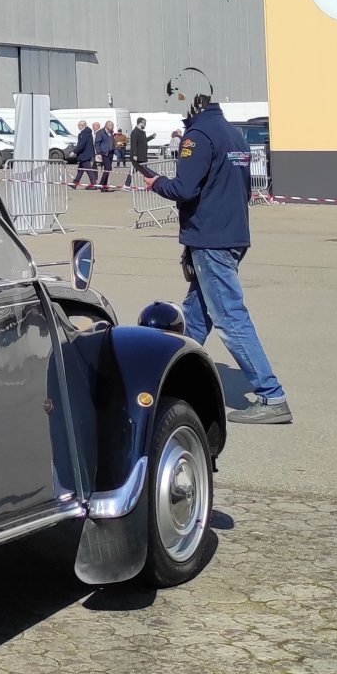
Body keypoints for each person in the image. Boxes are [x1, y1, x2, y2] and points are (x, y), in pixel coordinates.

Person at [145, 67, 290, 425]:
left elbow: (185, 188)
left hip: (211, 239)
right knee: (195, 316)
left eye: (177, 99)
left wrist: (155, 181)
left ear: (190, 98)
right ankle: (171, 379)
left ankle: (272, 395)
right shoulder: (234, 135)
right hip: (230, 234)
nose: (176, 108)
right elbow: (236, 189)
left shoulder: (198, 135)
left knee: (229, 318)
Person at [125, 117, 153, 188]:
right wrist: (134, 154)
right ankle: (126, 184)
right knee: (136, 170)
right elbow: (133, 144)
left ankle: (147, 185)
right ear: (140, 123)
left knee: (145, 170)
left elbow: (144, 141)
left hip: (143, 155)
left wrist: (151, 137)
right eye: (144, 123)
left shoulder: (142, 132)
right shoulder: (135, 132)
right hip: (137, 156)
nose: (145, 125)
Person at [70, 120, 97, 189]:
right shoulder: (88, 133)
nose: (78, 126)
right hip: (86, 154)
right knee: (80, 170)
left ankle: (93, 184)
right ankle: (75, 182)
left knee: (88, 170)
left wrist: (74, 152)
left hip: (84, 154)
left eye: (79, 125)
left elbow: (81, 145)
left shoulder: (83, 133)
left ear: (82, 125)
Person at [97, 120, 117, 191]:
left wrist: (115, 149)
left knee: (107, 170)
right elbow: (97, 143)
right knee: (108, 168)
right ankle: (101, 184)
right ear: (107, 126)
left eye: (112, 125)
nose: (112, 127)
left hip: (111, 152)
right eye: (111, 125)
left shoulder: (111, 133)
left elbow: (113, 142)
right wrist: (98, 152)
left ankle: (104, 186)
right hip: (104, 153)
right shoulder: (100, 132)